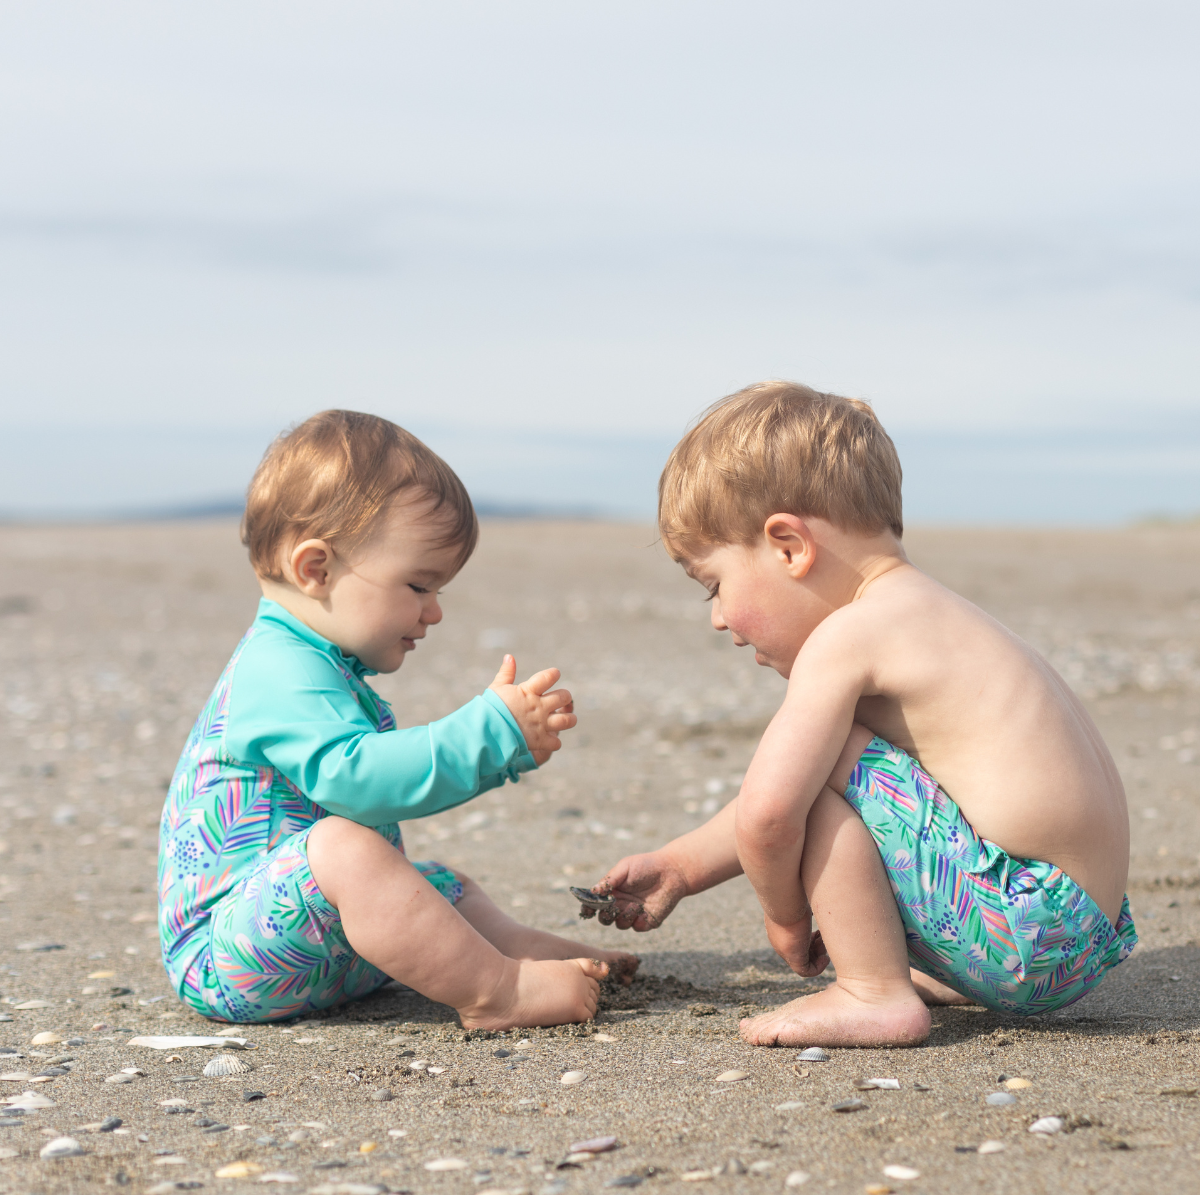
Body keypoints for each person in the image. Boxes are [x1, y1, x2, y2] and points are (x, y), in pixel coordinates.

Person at [582, 381, 1136, 1047]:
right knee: (842, 761)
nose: (719, 619)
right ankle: (932, 972)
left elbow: (770, 812)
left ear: (788, 546)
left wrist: (784, 917)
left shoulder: (848, 637)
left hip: (1021, 926)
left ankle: (873, 991)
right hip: (1085, 933)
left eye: (715, 585)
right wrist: (682, 865)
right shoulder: (941, 617)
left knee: (829, 763)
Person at [159, 410, 636, 1027]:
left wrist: (505, 750)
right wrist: (488, 734)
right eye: (417, 586)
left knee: (438, 883)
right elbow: (361, 783)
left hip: (312, 948)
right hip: (228, 959)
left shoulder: (319, 664)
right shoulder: (277, 669)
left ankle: (520, 951)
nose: (433, 612)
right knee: (347, 851)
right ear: (316, 569)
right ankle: (500, 992)